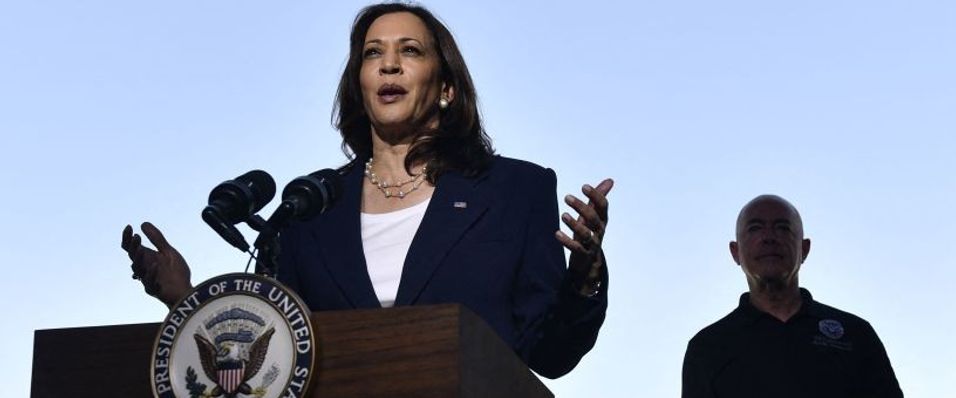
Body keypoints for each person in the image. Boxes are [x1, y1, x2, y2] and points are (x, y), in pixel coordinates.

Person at [120, 3, 611, 379]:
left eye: (410, 50)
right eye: (373, 53)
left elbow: (550, 355)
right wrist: (183, 298)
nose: (389, 64)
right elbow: (277, 356)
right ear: (359, 84)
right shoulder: (311, 209)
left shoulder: (514, 190)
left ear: (446, 89)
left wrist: (584, 277)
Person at [681, 195, 903, 397]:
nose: (769, 237)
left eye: (783, 228)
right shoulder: (708, 347)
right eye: (755, 228)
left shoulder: (855, 335)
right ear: (735, 251)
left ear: (804, 249)